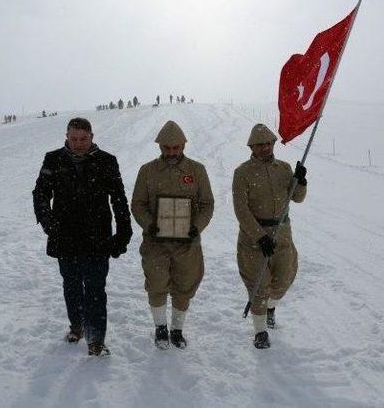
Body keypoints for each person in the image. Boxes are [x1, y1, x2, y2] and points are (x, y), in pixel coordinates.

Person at [32, 117, 132, 356]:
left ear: (92, 137)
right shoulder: (53, 159)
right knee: (72, 286)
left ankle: (96, 338)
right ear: (66, 137)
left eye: (83, 139)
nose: (78, 144)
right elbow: (41, 194)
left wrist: (123, 232)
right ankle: (77, 326)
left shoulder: (107, 161)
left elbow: (118, 199)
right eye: (74, 139)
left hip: (97, 237)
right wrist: (49, 224)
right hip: (64, 236)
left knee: (96, 289)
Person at [131, 120, 214, 350]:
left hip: (187, 244)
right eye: (167, 148)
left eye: (176, 148)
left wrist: (196, 226)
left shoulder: (197, 170)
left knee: (184, 286)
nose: (171, 152)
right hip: (155, 243)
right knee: (156, 284)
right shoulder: (147, 171)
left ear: (183, 145)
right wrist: (150, 225)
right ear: (159, 146)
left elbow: (207, 204)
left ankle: (177, 329)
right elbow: (138, 204)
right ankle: (160, 327)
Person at [232, 123, 307, 349]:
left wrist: (300, 182)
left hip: (282, 236)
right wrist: (259, 236)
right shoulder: (242, 173)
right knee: (258, 286)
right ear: (251, 147)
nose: (263, 148)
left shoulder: (283, 169)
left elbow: (298, 198)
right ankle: (260, 331)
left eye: (267, 143)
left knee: (283, 280)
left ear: (273, 144)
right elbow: (241, 209)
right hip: (253, 240)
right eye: (258, 145)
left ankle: (271, 307)